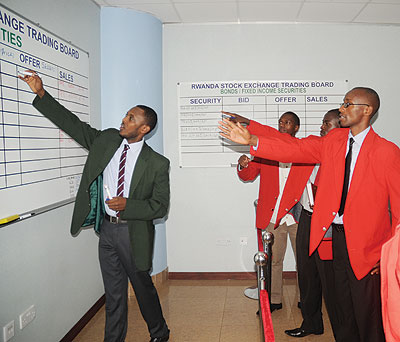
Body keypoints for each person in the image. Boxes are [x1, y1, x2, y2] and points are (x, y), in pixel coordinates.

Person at [219, 87, 400, 342]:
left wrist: (391, 253)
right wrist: (252, 139)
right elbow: (293, 147)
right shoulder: (333, 142)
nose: (342, 109)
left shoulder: (387, 151)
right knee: (339, 309)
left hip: (368, 247)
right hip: (334, 238)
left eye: (348, 104)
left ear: (367, 110)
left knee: (366, 311)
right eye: (343, 103)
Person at [20, 72, 170, 342]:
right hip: (108, 232)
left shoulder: (157, 163)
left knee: (142, 288)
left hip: (133, 233)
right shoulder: (107, 140)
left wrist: (129, 205)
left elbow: (160, 206)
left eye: (131, 118)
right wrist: (42, 94)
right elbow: (73, 125)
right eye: (125, 115)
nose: (124, 121)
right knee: (113, 294)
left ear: (144, 129)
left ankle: (159, 332)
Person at [232, 112, 314, 312]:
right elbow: (249, 175)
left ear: (296, 128)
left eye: (287, 122)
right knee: (274, 261)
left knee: (304, 262)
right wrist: (243, 165)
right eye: (280, 122)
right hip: (273, 215)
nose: (283, 125)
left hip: (297, 216)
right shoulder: (265, 150)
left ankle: (306, 300)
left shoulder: (305, 151)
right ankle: (274, 300)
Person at [285, 109, 341, 338]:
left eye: (327, 123)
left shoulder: (344, 155)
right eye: (322, 123)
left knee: (330, 279)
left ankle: (344, 331)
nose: (322, 127)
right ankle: (311, 324)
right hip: (307, 218)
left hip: (330, 222)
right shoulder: (315, 147)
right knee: (307, 275)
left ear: (342, 126)